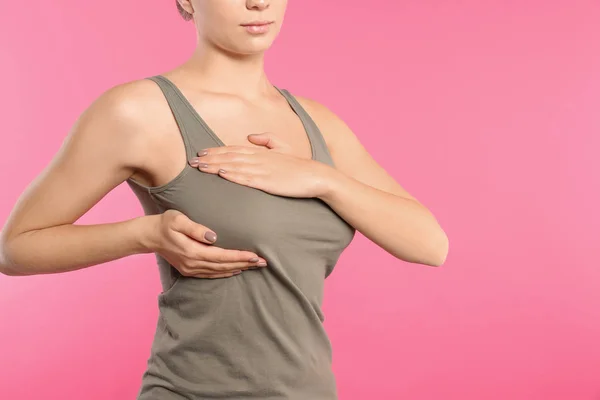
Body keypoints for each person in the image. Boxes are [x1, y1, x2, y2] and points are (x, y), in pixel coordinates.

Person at [0, 0, 449, 398]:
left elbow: (430, 246)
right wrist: (145, 233)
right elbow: (15, 247)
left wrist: (322, 179)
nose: (258, 4)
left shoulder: (317, 121)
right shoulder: (139, 111)